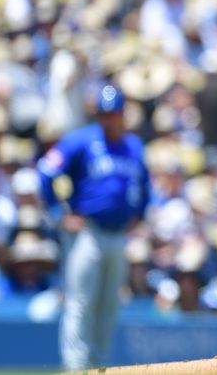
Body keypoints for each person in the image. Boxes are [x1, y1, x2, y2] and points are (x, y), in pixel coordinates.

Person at [37, 85, 152, 371]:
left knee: (109, 305)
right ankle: (76, 367)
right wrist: (57, 213)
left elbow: (145, 186)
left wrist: (140, 213)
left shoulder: (133, 145)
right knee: (81, 303)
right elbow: (45, 171)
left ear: (123, 114)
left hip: (118, 235)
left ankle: (99, 366)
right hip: (87, 232)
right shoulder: (81, 140)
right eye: (104, 113)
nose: (108, 119)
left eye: (113, 113)